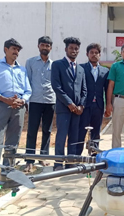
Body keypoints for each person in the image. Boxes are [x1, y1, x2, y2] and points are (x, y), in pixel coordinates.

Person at [0, 38, 32, 186]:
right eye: (13, 49)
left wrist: (22, 100)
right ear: (6, 49)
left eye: (18, 50)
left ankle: (7, 172)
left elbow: (28, 90)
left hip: (19, 108)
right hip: (1, 106)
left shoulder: (21, 69)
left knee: (13, 142)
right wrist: (5, 99)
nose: (16, 52)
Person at [51, 37, 87, 170]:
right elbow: (56, 87)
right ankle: (58, 164)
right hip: (64, 108)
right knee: (61, 136)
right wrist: (70, 104)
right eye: (71, 48)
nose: (74, 50)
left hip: (77, 110)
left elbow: (84, 89)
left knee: (74, 136)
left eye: (76, 48)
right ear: (66, 49)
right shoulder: (57, 65)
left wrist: (81, 105)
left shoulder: (81, 69)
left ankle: (71, 162)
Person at [24, 36, 56, 172]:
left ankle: (43, 157)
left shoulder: (54, 64)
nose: (45, 47)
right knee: (32, 131)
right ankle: (29, 160)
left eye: (47, 45)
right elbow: (27, 81)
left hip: (50, 101)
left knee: (47, 131)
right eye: (43, 45)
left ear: (51, 48)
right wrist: (26, 100)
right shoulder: (30, 62)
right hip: (35, 100)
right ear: (38, 46)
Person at [76, 43, 109, 155]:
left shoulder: (105, 71)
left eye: (96, 53)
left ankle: (94, 155)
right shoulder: (80, 68)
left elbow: (106, 89)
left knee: (96, 132)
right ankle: (77, 156)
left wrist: (108, 106)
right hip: (84, 105)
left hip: (98, 106)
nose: (94, 55)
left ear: (100, 55)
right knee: (81, 131)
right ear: (87, 54)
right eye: (92, 53)